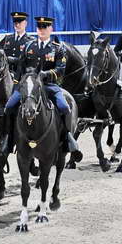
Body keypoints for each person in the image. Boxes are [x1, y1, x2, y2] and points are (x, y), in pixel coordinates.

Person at [9, 16, 82, 162]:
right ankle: (9, 139)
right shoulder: (29, 47)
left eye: (45, 27)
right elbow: (20, 68)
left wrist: (46, 74)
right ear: (36, 29)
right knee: (9, 106)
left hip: (49, 85)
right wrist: (16, 85)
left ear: (50, 29)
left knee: (64, 107)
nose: (42, 30)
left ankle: (67, 138)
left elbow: (61, 70)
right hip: (29, 86)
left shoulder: (57, 48)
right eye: (39, 27)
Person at [0, 11, 35, 81]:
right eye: (15, 23)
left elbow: (31, 62)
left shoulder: (31, 41)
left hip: (23, 76)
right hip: (6, 76)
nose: (17, 25)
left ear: (25, 24)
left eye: (19, 23)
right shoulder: (7, 39)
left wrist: (14, 60)